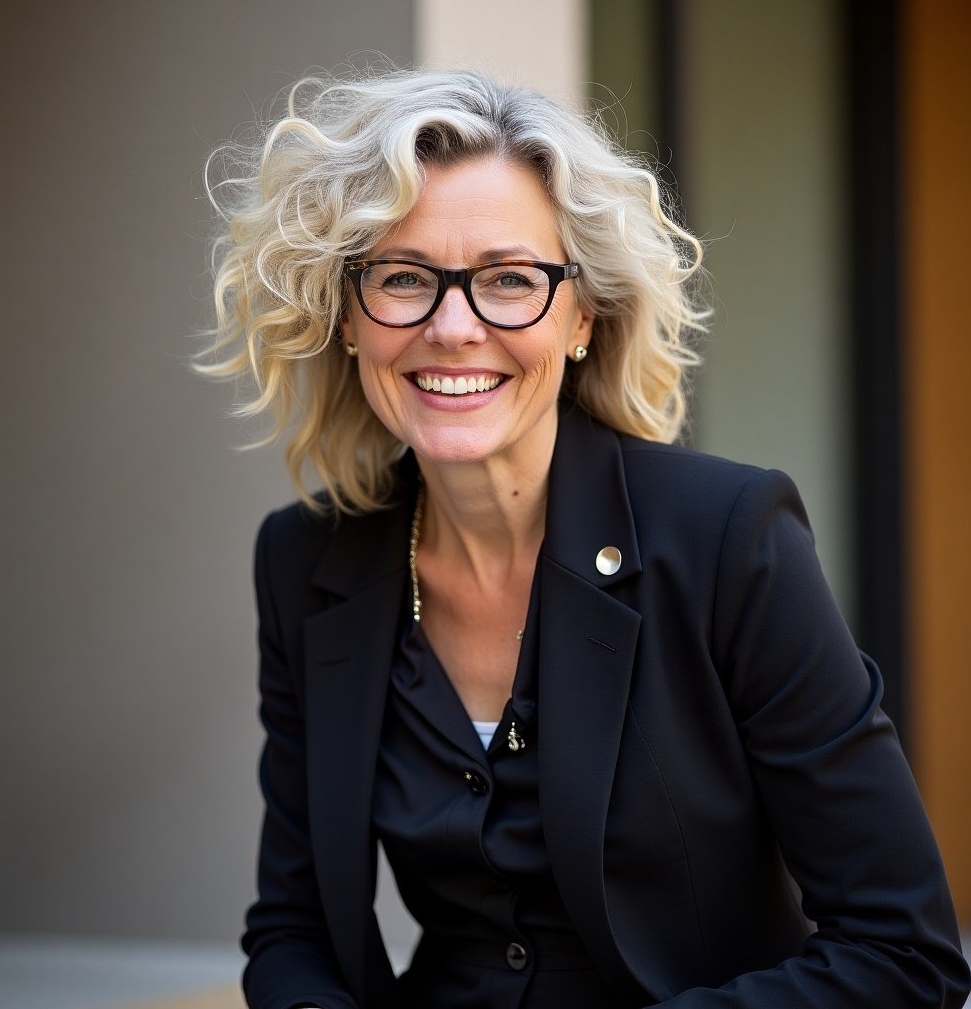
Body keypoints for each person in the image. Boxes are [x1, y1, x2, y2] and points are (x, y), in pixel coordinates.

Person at [200, 67, 970, 1008]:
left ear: (581, 317)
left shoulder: (729, 538)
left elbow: (904, 953)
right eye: (401, 278)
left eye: (509, 280)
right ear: (347, 318)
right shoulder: (304, 561)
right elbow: (294, 930)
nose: (452, 328)